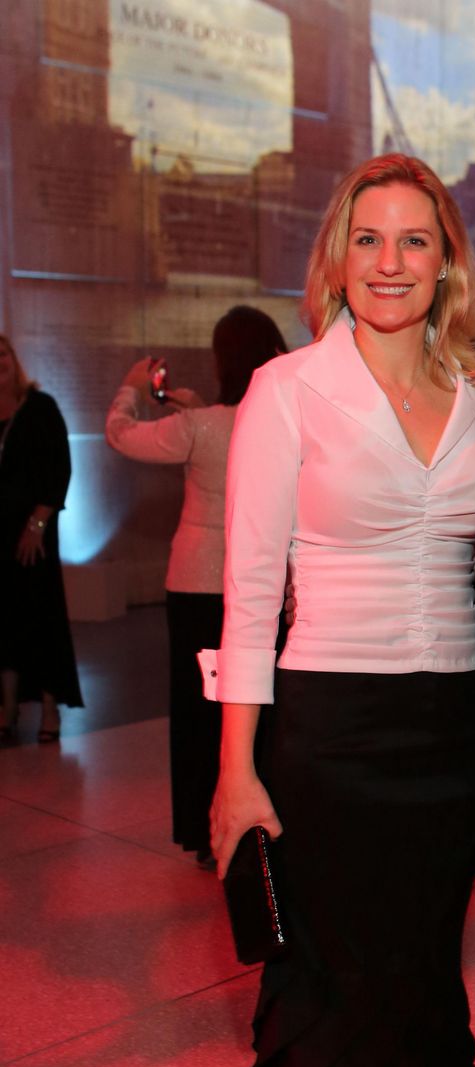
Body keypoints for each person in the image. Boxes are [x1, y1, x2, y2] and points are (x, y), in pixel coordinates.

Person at [207, 153, 475, 1067]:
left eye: (414, 241)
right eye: (367, 240)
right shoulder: (287, 390)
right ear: (336, 255)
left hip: (452, 740)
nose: (390, 263)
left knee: (423, 995)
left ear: (447, 259)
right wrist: (237, 774)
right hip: (327, 738)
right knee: (341, 1000)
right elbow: (244, 596)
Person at [105, 307, 287, 866]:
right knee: (261, 705)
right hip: (265, 582)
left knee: (197, 711)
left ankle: (203, 830)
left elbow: (121, 435)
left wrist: (131, 390)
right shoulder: (278, 418)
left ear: (221, 359)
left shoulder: (200, 426)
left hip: (195, 583)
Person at [0, 334, 83, 743]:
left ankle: (51, 710)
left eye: (3, 353)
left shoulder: (41, 408)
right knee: (3, 621)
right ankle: (8, 707)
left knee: (42, 618)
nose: (0, 361)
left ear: (15, 360)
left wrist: (37, 524)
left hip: (36, 534)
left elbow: (59, 470)